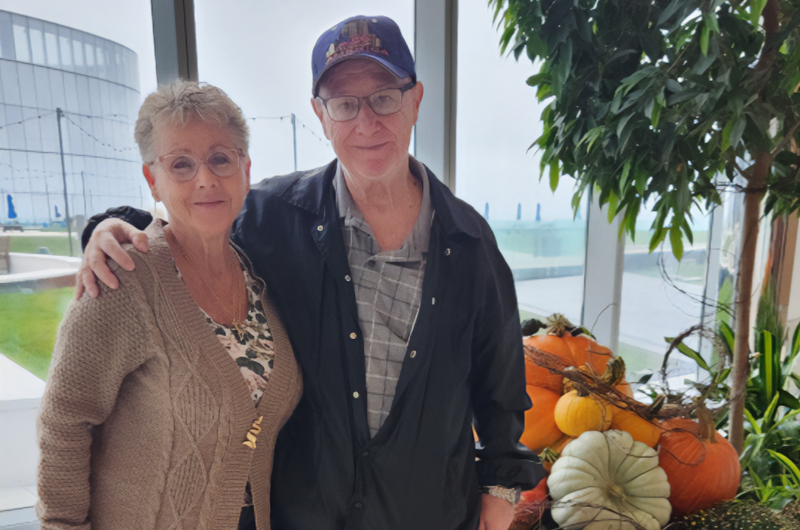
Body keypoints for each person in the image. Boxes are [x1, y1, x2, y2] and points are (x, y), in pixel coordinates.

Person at [77, 15, 543, 530]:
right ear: (321, 117)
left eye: (385, 96)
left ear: (415, 101)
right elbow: (194, 223)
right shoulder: (273, 217)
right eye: (345, 104)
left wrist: (500, 496)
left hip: (429, 514)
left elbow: (500, 390)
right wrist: (110, 226)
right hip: (304, 515)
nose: (367, 123)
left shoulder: (470, 242)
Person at [37, 81, 302, 530]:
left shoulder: (260, 277)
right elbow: (64, 420)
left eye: (221, 158)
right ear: (151, 180)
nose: (206, 178)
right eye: (181, 164)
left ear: (245, 168)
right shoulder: (122, 279)